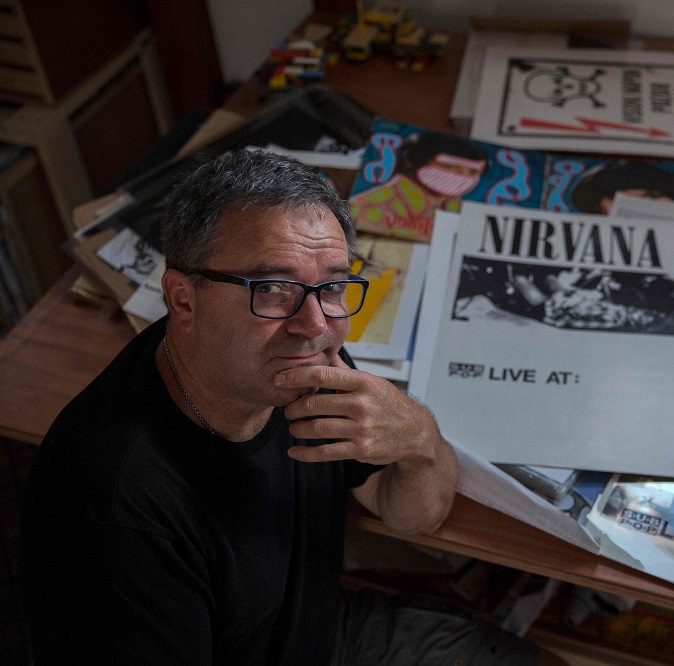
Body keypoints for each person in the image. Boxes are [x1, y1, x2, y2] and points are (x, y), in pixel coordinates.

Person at [18, 148, 560, 665]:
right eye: (274, 288)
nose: (317, 325)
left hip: (317, 633)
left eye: (332, 285)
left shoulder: (302, 365)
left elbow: (412, 514)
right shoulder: (116, 511)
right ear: (184, 299)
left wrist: (419, 439)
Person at [349, 131, 489, 241]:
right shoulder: (366, 208)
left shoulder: (460, 211)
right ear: (413, 159)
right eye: (450, 166)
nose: (462, 176)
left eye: (473, 172)